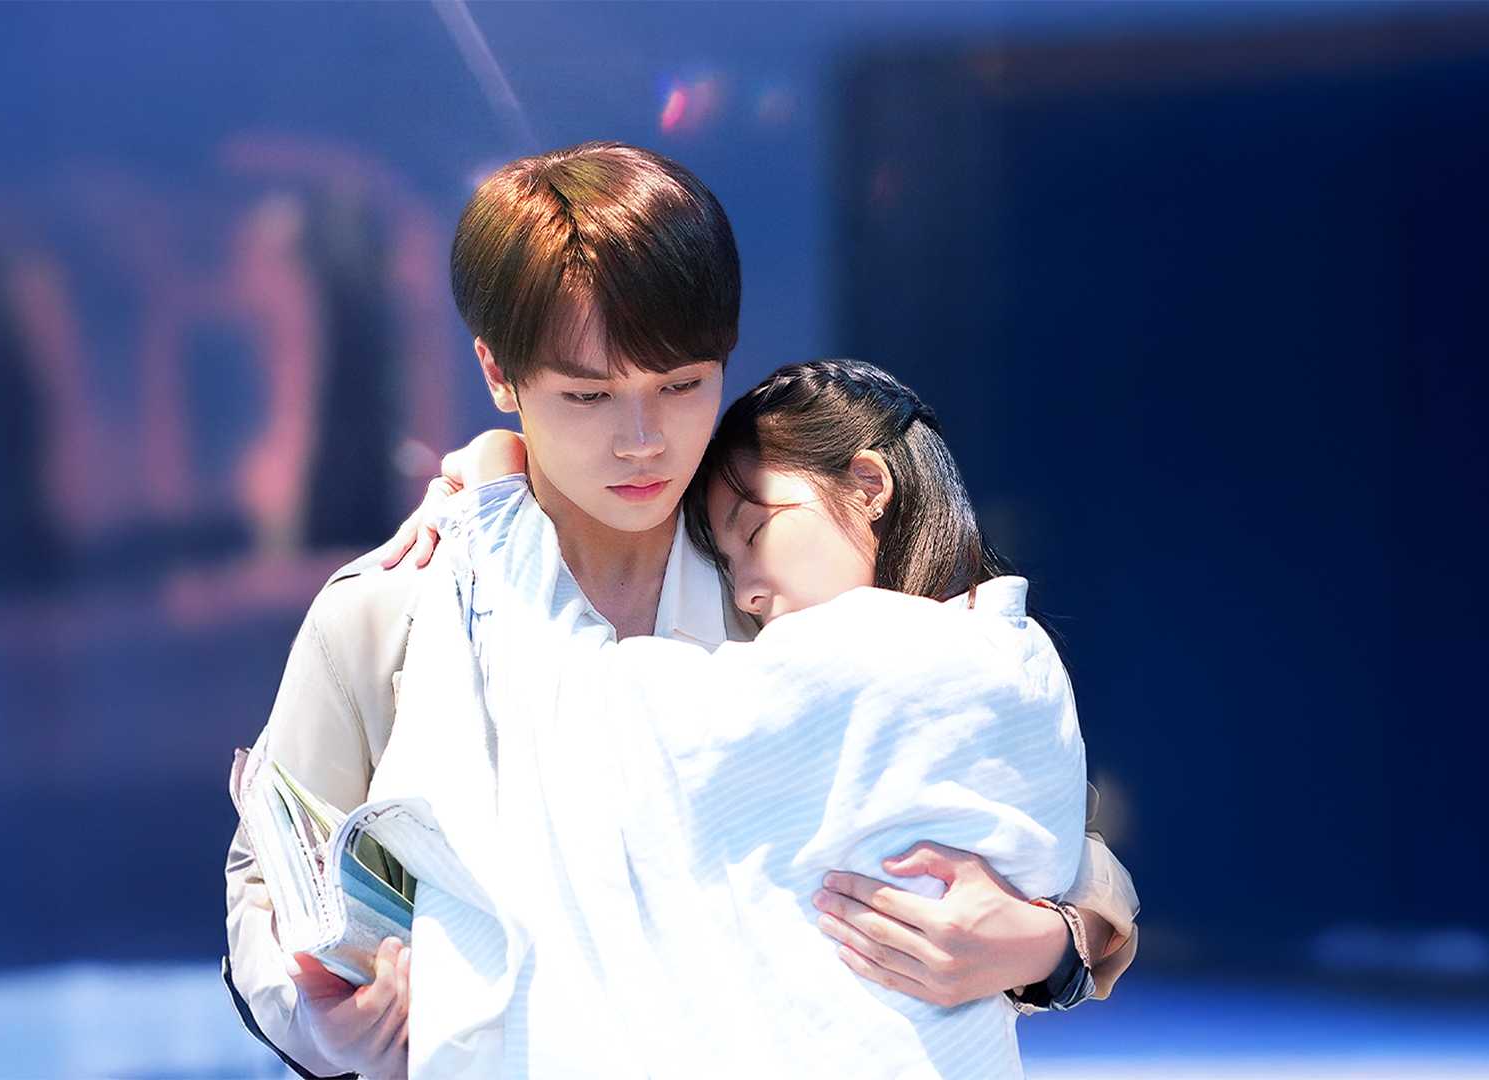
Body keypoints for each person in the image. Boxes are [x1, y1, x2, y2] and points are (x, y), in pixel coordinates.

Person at [223, 142, 1139, 1079]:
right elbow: (268, 890)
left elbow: (1035, 822)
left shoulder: (787, 573)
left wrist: (1047, 945)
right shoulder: (391, 613)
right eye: (587, 396)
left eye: (683, 384)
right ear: (499, 373)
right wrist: (326, 1030)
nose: (643, 441)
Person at [381, 357, 1096, 1075]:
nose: (747, 592)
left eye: (754, 534)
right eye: (725, 565)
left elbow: (581, 702)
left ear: (868, 486)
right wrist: (1054, 944)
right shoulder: (1022, 657)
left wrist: (499, 495)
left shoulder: (881, 655)